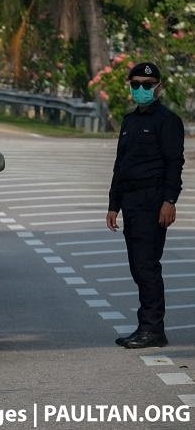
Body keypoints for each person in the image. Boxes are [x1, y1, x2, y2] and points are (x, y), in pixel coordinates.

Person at [106, 62, 184, 349]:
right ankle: (146, 327)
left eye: (147, 85)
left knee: (147, 266)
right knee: (138, 266)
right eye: (136, 84)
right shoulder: (129, 122)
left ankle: (153, 329)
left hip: (153, 200)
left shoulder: (167, 121)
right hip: (131, 201)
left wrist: (169, 201)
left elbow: (174, 163)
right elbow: (121, 165)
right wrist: (113, 205)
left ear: (158, 87)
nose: (141, 89)